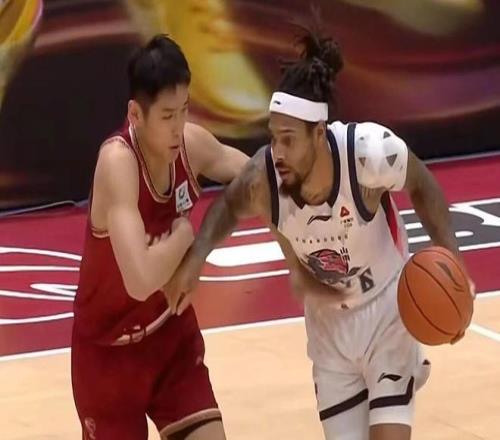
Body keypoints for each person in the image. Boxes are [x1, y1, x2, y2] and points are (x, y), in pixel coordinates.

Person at [165, 24, 474, 440]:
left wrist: (453, 263)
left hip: (388, 311)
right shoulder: (264, 176)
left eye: (288, 140)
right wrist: (197, 258)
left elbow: (423, 185)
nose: (277, 152)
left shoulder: (368, 154)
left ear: (318, 133)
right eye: (273, 138)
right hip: (329, 331)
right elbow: (228, 206)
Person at [72, 34, 247, 440]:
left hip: (171, 339)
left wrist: (197, 253)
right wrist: (184, 236)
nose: (178, 127)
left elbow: (258, 178)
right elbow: (140, 280)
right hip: (109, 356)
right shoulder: (117, 162)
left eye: (184, 110)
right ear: (135, 114)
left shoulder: (191, 145)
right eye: (167, 116)